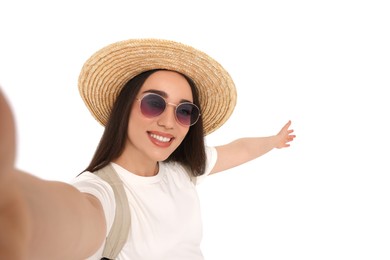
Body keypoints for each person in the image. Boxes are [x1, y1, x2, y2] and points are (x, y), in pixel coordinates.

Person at [0, 38, 296, 260]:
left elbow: (239, 150)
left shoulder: (182, 170)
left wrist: (274, 141)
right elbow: (68, 218)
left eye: (184, 111)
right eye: (154, 103)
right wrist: (16, 208)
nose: (169, 122)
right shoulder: (103, 193)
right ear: (125, 107)